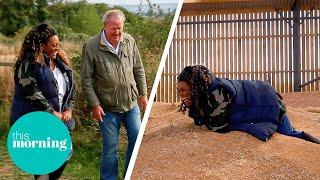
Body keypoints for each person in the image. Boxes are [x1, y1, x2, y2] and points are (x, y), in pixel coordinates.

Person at [81, 9, 148, 179]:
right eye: (114, 28)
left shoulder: (129, 41)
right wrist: (95, 105)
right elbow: (86, 80)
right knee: (110, 148)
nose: (118, 32)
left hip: (131, 104)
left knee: (136, 138)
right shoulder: (91, 46)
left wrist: (143, 94)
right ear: (105, 26)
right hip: (107, 108)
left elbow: (138, 69)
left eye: (120, 28)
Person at [177, 65, 320, 144]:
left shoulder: (217, 92)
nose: (181, 94)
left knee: (289, 133)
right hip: (262, 99)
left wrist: (195, 109)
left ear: (195, 86)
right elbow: (205, 120)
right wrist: (193, 105)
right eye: (179, 90)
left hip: (268, 102)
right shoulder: (205, 93)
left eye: (183, 90)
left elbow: (217, 126)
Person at [10, 23, 75, 179]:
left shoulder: (61, 62)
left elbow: (72, 88)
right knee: (43, 166)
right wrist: (52, 112)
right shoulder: (29, 64)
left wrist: (69, 108)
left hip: (57, 120)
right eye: (53, 45)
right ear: (42, 45)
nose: (57, 48)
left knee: (66, 152)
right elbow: (31, 91)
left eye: (58, 44)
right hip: (35, 120)